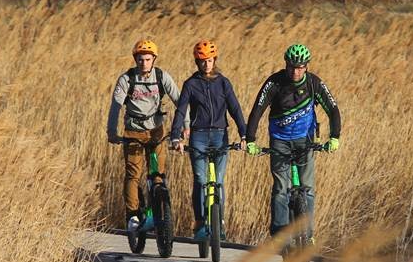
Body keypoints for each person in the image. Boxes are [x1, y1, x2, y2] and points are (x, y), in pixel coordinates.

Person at [244, 43, 341, 243]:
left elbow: (332, 109)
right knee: (281, 188)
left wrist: (334, 137)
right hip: (279, 141)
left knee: (308, 189)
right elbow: (257, 109)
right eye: (291, 67)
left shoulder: (314, 83)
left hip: (305, 141)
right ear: (286, 65)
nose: (295, 72)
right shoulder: (275, 83)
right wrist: (251, 139)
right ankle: (280, 234)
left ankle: (308, 234)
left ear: (306, 67)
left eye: (299, 67)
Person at [169, 40, 247, 240]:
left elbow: (235, 108)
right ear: (197, 62)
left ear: (215, 60)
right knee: (200, 180)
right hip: (199, 136)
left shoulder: (223, 83)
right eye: (202, 61)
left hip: (220, 135)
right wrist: (175, 136)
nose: (206, 64)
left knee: (218, 181)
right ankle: (200, 222)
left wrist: (245, 134)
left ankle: (220, 221)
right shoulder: (190, 84)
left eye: (210, 60)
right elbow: (181, 111)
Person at [106, 39, 181, 234]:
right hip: (134, 133)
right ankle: (132, 215)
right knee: (133, 174)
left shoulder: (161, 76)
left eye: (147, 59)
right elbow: (116, 106)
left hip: (156, 132)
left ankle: (159, 213)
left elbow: (180, 101)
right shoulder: (127, 79)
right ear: (135, 59)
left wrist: (185, 126)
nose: (144, 63)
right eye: (140, 59)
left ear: (154, 59)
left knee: (158, 175)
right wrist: (111, 131)